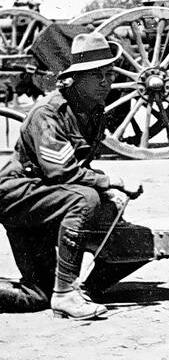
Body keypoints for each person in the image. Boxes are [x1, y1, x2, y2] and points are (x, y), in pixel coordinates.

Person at [0, 32, 143, 318]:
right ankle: (66, 293)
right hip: (18, 197)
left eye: (109, 73)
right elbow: (61, 171)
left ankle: (70, 289)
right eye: (96, 75)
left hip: (47, 199)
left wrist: (107, 190)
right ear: (75, 79)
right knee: (86, 199)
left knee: (37, 295)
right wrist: (106, 182)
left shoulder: (92, 110)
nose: (106, 82)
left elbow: (77, 166)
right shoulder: (49, 112)